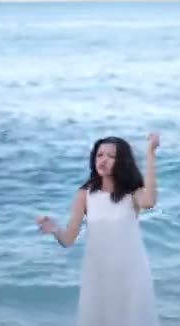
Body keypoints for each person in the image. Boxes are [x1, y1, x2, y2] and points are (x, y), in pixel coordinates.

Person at [35, 132, 161, 326]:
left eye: (111, 156)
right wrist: (55, 229)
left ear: (122, 162)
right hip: (97, 273)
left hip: (130, 271)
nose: (103, 160)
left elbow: (150, 201)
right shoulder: (84, 194)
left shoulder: (132, 193)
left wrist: (150, 154)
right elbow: (68, 239)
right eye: (100, 155)